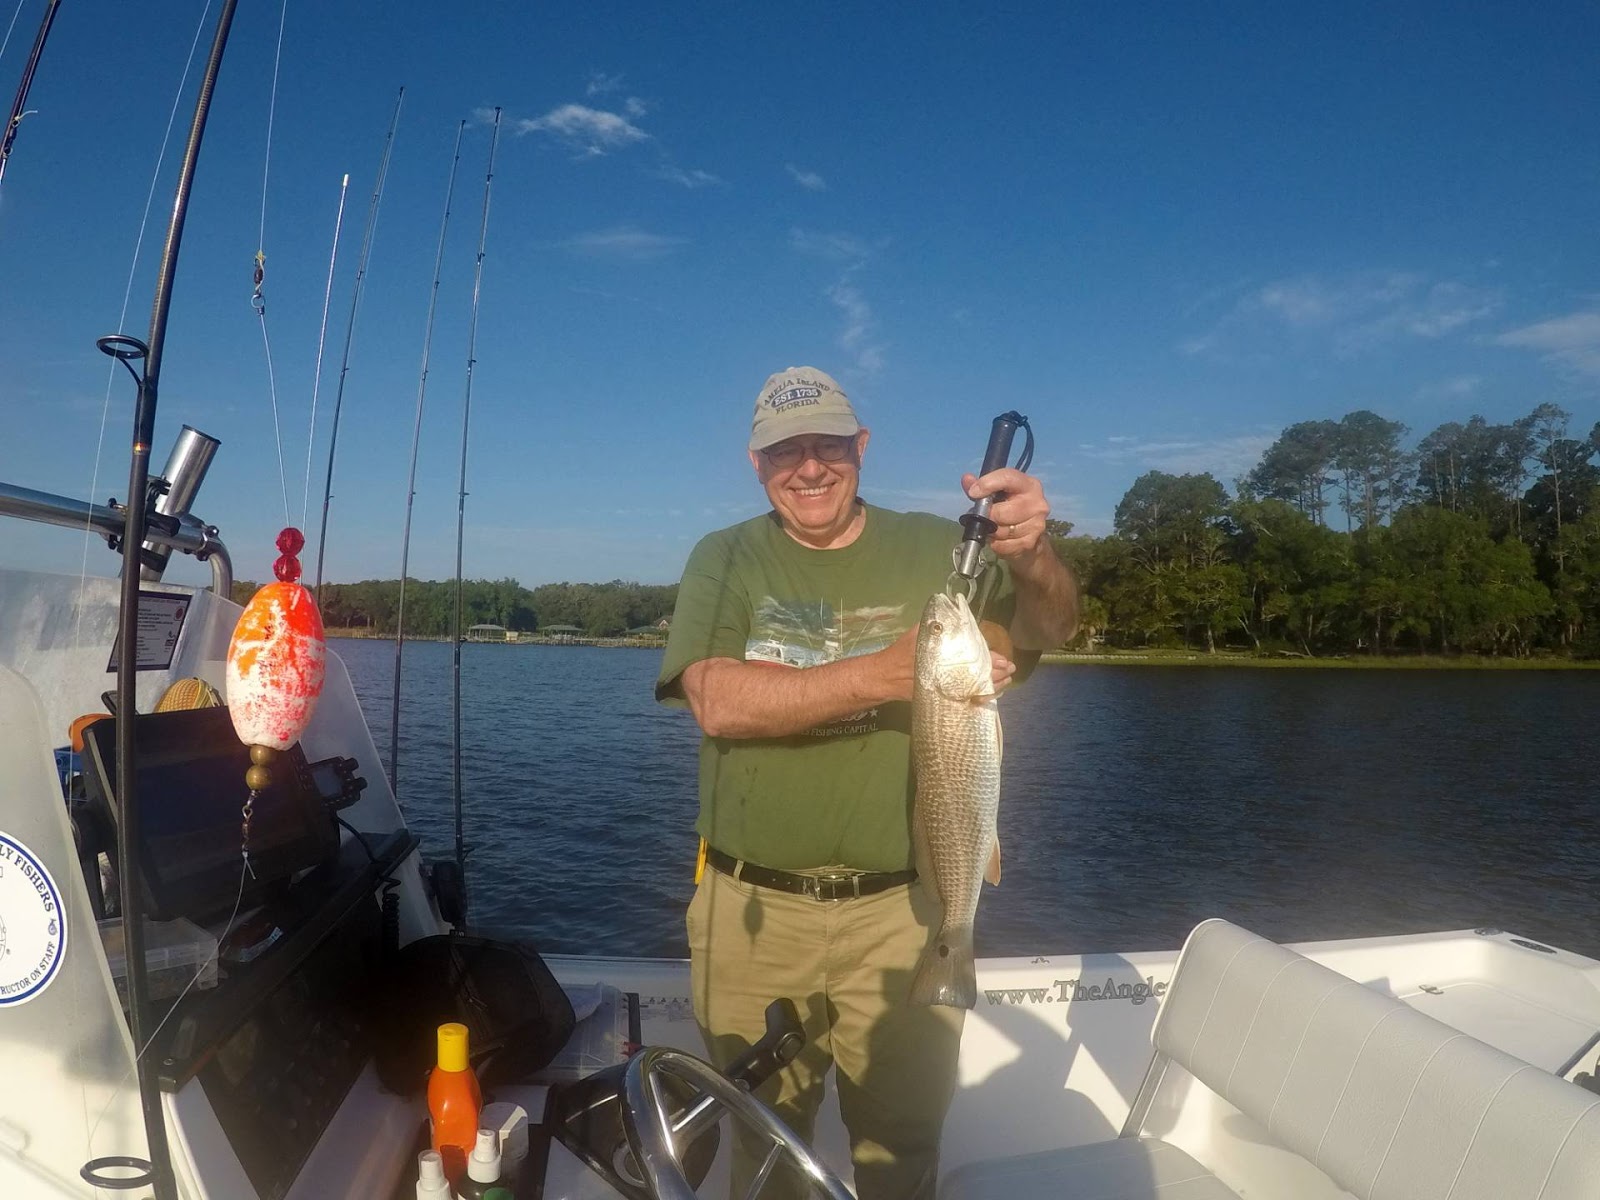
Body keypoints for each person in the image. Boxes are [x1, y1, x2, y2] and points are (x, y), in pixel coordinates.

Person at [655, 367, 1078, 1199]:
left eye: (829, 446)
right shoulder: (726, 555)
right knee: (762, 1149)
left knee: (902, 1149)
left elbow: (1050, 627)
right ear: (756, 463)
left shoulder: (934, 550)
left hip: (907, 914)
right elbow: (715, 701)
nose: (809, 468)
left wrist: (1033, 557)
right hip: (752, 918)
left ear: (862, 447)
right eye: (787, 453)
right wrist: (884, 673)